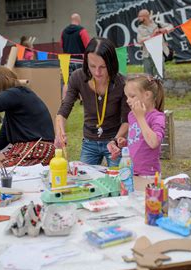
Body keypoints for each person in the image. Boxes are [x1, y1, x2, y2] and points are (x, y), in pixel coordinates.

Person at [55, 37, 130, 167]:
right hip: (89, 141)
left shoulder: (121, 83)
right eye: (92, 66)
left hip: (114, 140)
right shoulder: (78, 77)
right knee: (85, 180)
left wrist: (114, 141)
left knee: (120, 179)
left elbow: (127, 121)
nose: (97, 72)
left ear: (111, 63)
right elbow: (63, 110)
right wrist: (59, 132)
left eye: (103, 67)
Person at [108, 74, 166, 187]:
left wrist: (140, 117)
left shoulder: (157, 117)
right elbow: (139, 139)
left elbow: (154, 143)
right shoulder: (132, 115)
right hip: (132, 170)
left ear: (147, 95)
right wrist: (125, 143)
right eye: (127, 97)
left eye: (132, 96)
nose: (128, 101)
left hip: (148, 175)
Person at [61, 13, 91, 98]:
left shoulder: (64, 32)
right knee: (82, 79)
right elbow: (88, 45)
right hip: (79, 60)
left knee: (67, 81)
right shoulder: (82, 31)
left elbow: (61, 45)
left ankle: (64, 99)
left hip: (67, 60)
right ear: (79, 20)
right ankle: (83, 98)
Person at [137, 9, 173, 79]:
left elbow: (171, 27)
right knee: (148, 76)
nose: (138, 18)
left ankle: (159, 89)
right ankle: (150, 90)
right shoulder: (140, 28)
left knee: (159, 75)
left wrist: (163, 30)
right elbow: (140, 41)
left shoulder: (157, 24)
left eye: (139, 16)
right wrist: (153, 35)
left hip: (158, 52)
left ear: (145, 16)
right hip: (147, 54)